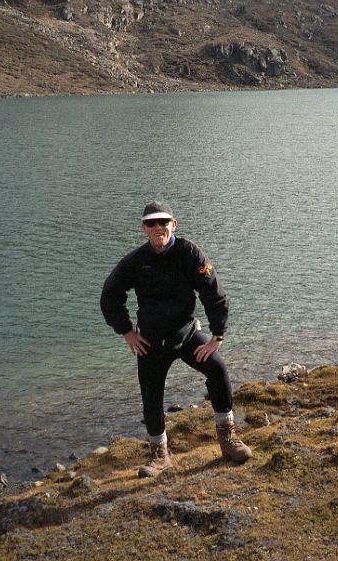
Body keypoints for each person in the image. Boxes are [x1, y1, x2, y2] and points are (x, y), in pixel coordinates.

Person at [100, 200, 252, 477]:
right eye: (151, 223)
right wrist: (127, 332)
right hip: (150, 342)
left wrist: (217, 336)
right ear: (143, 229)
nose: (158, 227)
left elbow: (214, 294)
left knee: (217, 370)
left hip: (187, 335)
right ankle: (160, 455)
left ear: (174, 224)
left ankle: (228, 441)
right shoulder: (135, 261)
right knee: (151, 397)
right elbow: (110, 296)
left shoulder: (189, 253)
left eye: (163, 222)